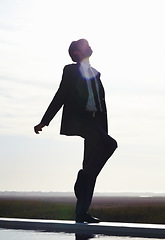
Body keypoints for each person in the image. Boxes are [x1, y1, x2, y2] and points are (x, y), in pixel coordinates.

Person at [34, 39, 117, 223]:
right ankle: (83, 176)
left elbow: (101, 104)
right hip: (82, 121)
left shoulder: (95, 74)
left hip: (97, 124)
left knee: (90, 165)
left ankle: (82, 212)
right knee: (111, 145)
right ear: (77, 53)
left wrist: (103, 127)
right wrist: (44, 121)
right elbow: (60, 95)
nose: (89, 46)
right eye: (84, 45)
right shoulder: (70, 70)